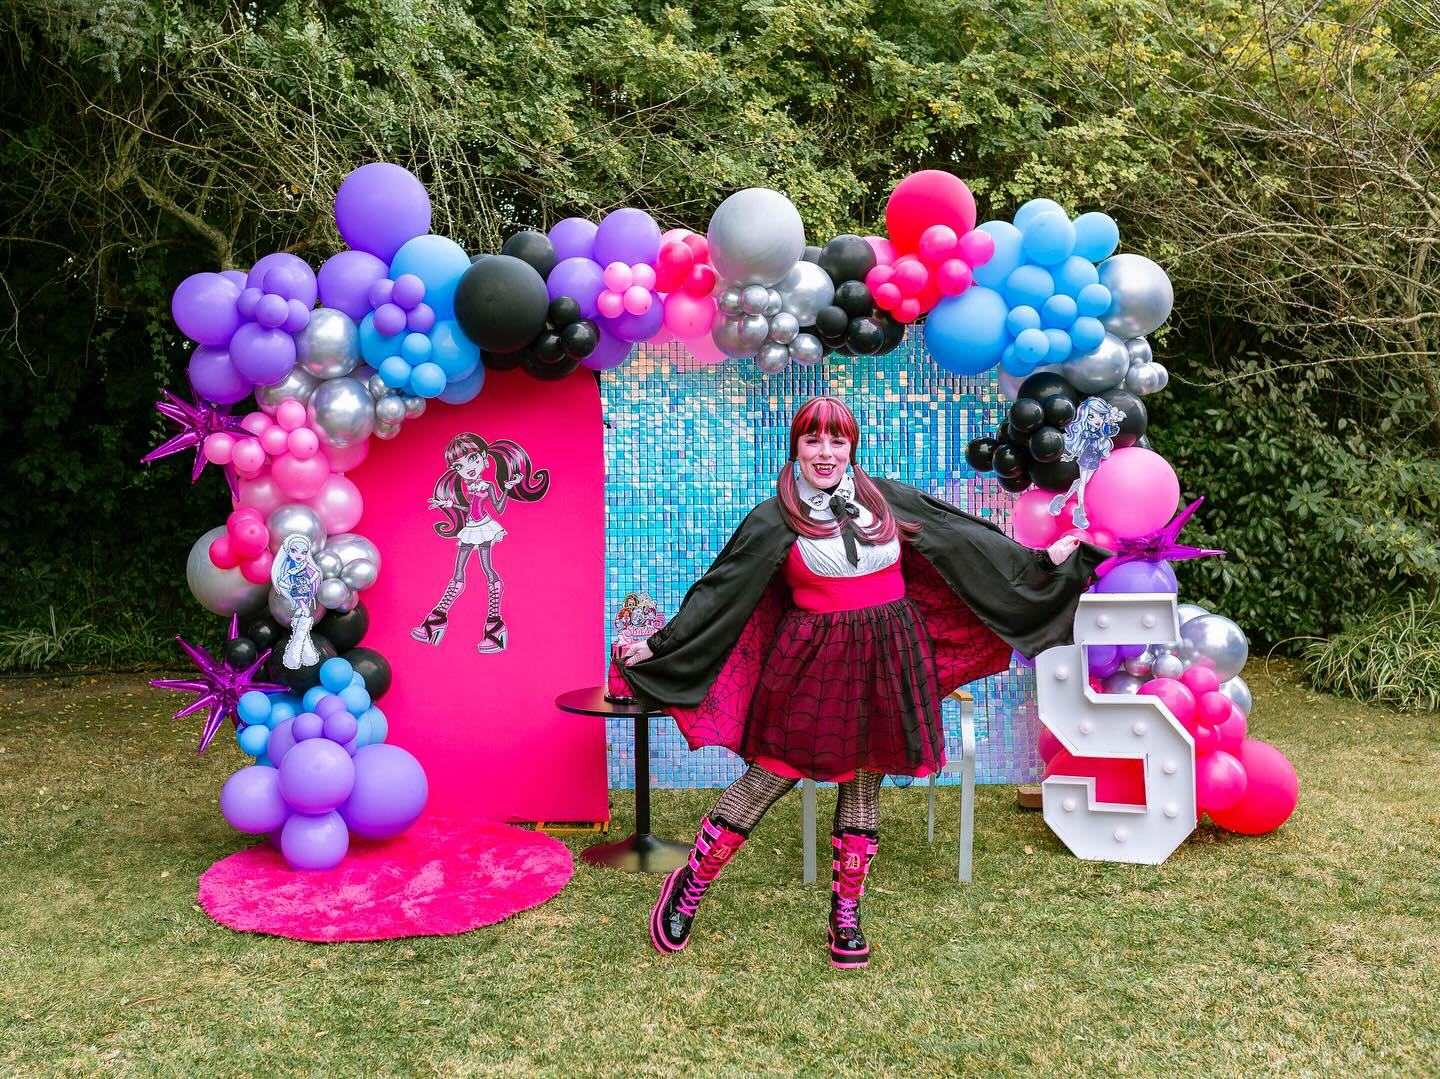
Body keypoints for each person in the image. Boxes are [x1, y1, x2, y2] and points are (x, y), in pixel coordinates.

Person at [618, 396, 1106, 970]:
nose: (825, 453)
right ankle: (687, 886)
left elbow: (964, 542)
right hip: (812, 663)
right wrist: (656, 645)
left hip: (888, 655)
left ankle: (845, 913)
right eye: (812, 441)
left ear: (852, 446)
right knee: (767, 779)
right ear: (795, 446)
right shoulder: (776, 516)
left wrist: (1040, 558)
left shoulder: (882, 498)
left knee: (863, 784)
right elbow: (720, 590)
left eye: (837, 441)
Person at [411, 431, 549, 652]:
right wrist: (450, 505)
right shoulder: (469, 487)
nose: (467, 468)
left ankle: (494, 623)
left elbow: (499, 508)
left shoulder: (488, 487)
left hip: (483, 527)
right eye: (459, 466)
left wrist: (506, 488)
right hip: (470, 528)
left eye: (472, 459)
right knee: (458, 571)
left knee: (487, 569)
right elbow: (469, 509)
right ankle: (438, 617)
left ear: (485, 458)